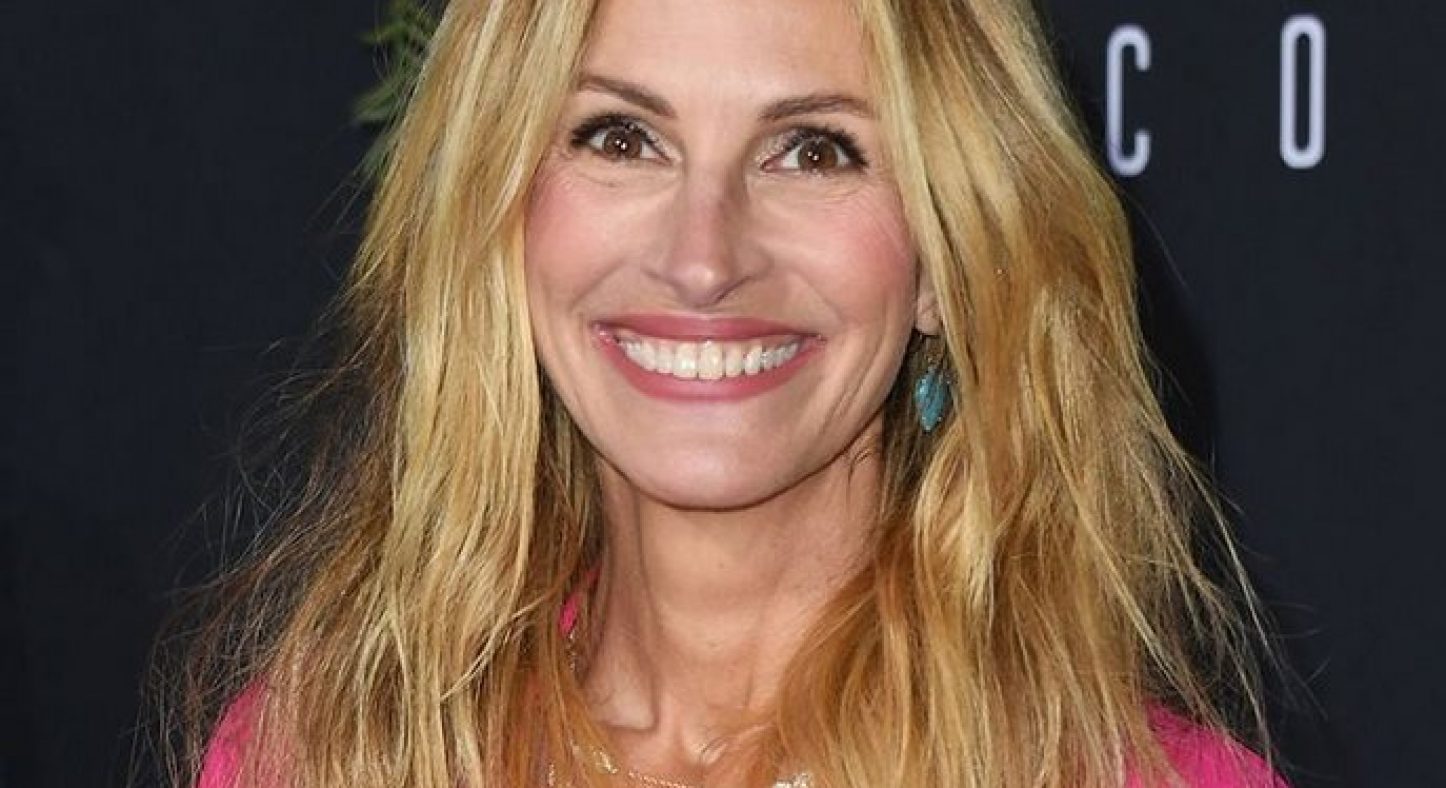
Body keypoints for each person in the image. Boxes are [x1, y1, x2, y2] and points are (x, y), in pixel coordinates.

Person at [169, 0, 1288, 785]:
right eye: (622, 137)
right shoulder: (326, 756)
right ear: (500, 213)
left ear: (950, 257)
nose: (702, 259)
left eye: (813, 150)